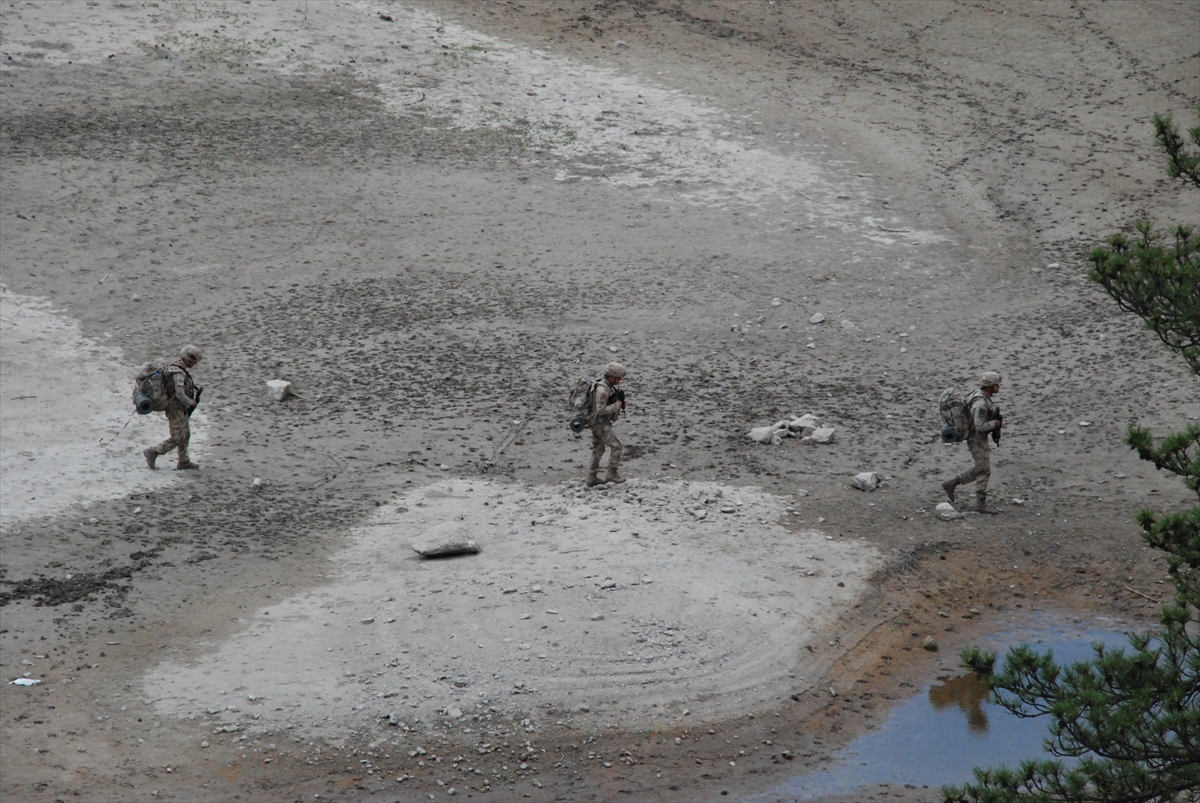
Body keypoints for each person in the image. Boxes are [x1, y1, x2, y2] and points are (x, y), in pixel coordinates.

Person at [942, 371, 1003, 513]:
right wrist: (995, 424)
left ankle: (952, 483)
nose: (999, 387)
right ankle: (980, 502)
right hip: (976, 439)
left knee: (982, 468)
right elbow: (979, 426)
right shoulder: (980, 404)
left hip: (976, 437)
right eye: (996, 385)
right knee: (984, 470)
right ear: (989, 387)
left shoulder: (978, 395)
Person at [143, 345, 203, 470]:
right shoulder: (178, 373)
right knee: (177, 437)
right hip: (175, 408)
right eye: (193, 361)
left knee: (185, 434)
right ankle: (154, 452)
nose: (195, 363)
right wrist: (190, 402)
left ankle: (184, 461)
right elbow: (180, 393)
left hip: (180, 407)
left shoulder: (178, 369)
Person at [587, 362, 627, 487]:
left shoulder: (605, 386)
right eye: (618, 378)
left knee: (598, 449)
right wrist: (617, 405)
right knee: (616, 446)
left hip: (597, 423)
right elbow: (600, 410)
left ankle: (592, 477)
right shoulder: (603, 389)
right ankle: (612, 473)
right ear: (611, 377)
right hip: (601, 424)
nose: (620, 380)